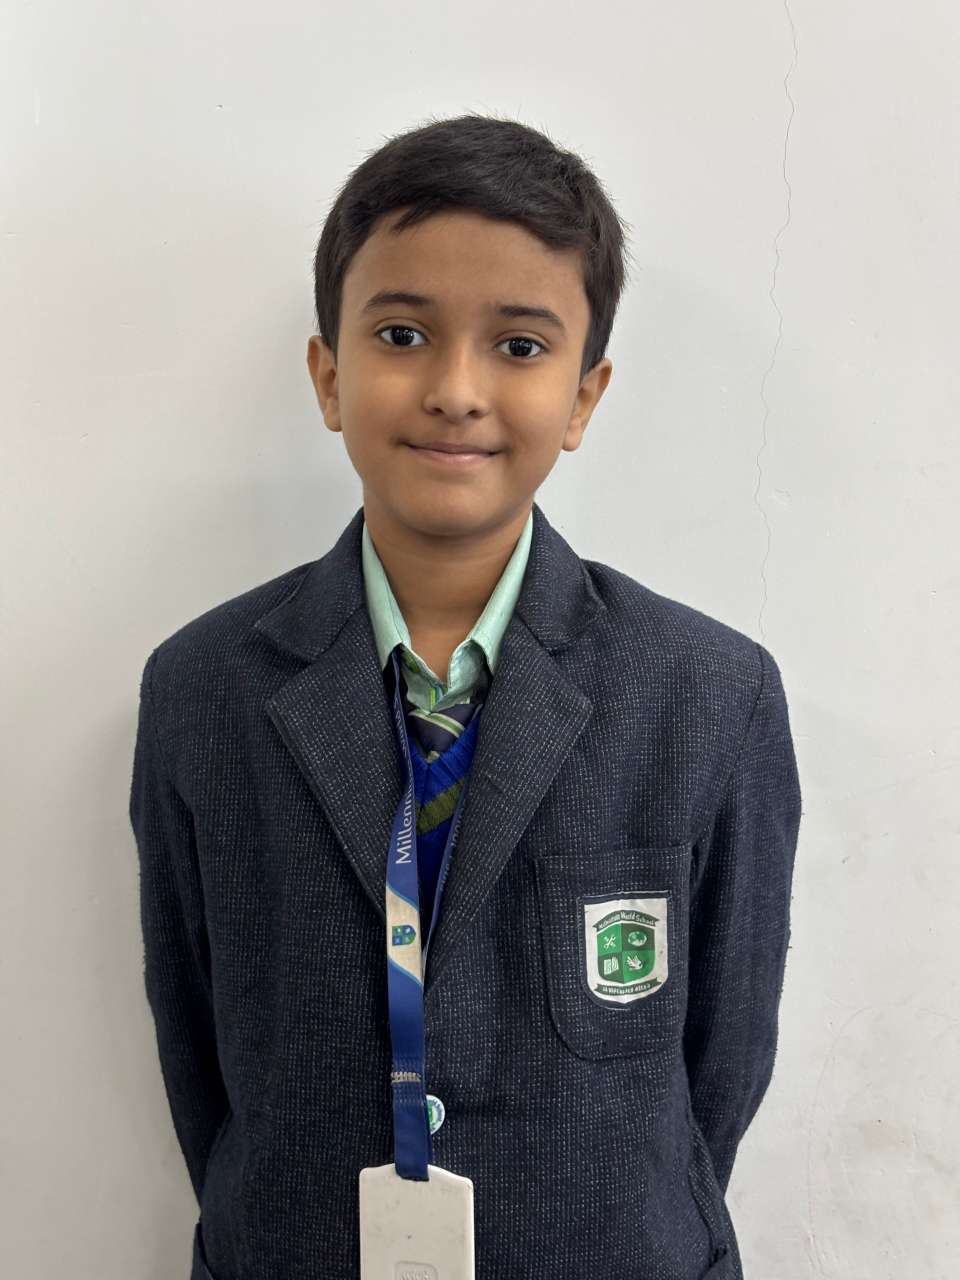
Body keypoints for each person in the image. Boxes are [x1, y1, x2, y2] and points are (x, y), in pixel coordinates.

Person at [129, 112, 802, 1280]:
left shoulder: (708, 693)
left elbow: (721, 1061)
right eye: (403, 334)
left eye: (520, 346)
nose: (455, 390)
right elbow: (201, 1047)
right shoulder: (204, 688)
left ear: (584, 398)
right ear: (329, 376)